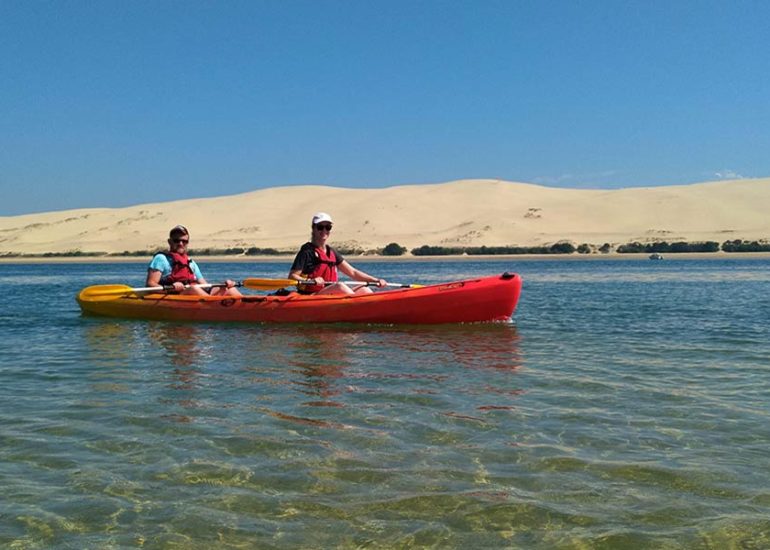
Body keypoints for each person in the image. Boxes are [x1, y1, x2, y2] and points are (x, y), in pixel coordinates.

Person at [288, 213, 387, 295]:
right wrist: (311, 280)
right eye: (320, 227)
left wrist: (375, 280)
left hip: (330, 293)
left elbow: (353, 272)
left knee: (364, 289)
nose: (324, 231)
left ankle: (370, 309)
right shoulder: (306, 252)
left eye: (328, 227)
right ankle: (357, 307)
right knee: (339, 286)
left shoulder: (331, 252)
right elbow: (292, 276)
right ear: (313, 229)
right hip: (312, 295)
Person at [146, 225, 242, 297]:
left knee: (228, 288)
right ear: (170, 242)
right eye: (176, 240)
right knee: (193, 289)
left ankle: (248, 305)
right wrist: (172, 287)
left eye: (184, 241)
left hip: (196, 295)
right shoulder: (160, 259)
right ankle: (213, 307)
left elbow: (205, 286)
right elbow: (150, 285)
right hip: (174, 295)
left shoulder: (190, 262)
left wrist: (223, 285)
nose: (181, 243)